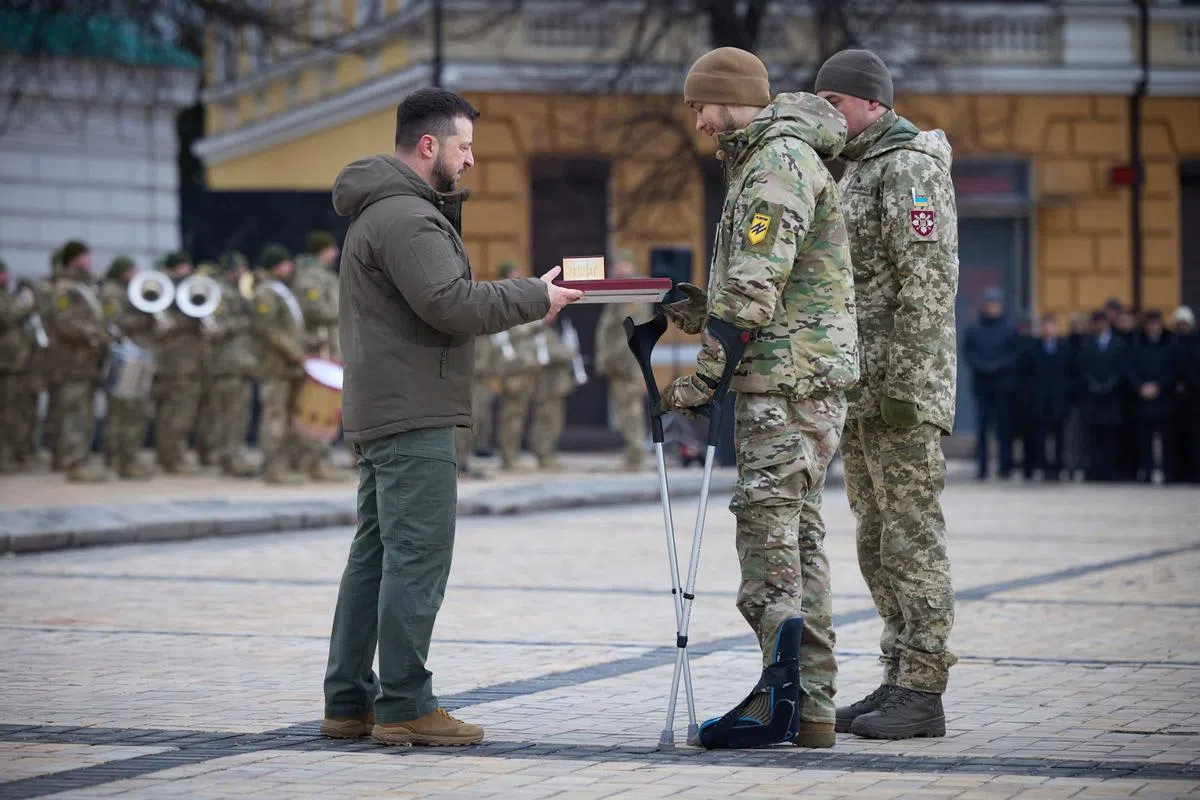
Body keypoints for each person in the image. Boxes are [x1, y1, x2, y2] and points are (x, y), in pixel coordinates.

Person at [322, 87, 582, 747]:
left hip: (388, 407)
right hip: (413, 413)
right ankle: (405, 704)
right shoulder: (408, 218)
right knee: (416, 558)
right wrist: (536, 296)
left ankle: (349, 701)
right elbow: (450, 302)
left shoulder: (384, 211)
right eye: (463, 147)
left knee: (375, 558)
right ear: (429, 145)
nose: (470, 160)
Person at [658, 47, 858, 750]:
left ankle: (777, 701)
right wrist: (694, 308)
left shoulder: (776, 165)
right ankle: (813, 705)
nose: (698, 122)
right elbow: (762, 282)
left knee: (768, 539)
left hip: (785, 384)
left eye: (700, 106)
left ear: (730, 96)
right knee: (799, 541)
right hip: (797, 378)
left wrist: (699, 382)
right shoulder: (774, 159)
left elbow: (751, 294)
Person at [816, 49, 959, 740]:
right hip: (862, 389)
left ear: (872, 103)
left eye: (835, 103)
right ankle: (898, 674)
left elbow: (926, 281)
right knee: (876, 539)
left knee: (911, 537)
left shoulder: (908, 167)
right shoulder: (858, 168)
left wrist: (905, 383)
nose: (827, 115)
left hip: (901, 391)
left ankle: (924, 688)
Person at [49, 240, 110, 482]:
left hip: (87, 363)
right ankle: (74, 463)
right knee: (75, 414)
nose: (89, 260)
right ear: (74, 258)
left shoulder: (87, 286)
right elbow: (63, 323)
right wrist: (93, 334)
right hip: (72, 362)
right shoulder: (65, 288)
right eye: (85, 256)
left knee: (85, 414)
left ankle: (80, 459)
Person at [251, 245, 308, 485]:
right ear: (276, 266)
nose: (291, 267)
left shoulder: (281, 290)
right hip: (274, 366)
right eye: (286, 263)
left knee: (284, 417)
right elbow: (268, 329)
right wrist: (295, 352)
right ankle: (273, 467)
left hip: (287, 366)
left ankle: (285, 464)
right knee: (274, 416)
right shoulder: (266, 292)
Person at [100, 256, 158, 479]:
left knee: (136, 411)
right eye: (132, 270)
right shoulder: (112, 292)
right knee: (121, 411)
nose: (136, 274)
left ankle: (128, 458)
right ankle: (117, 459)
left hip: (139, 358)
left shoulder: (131, 290)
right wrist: (145, 318)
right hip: (123, 359)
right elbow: (114, 321)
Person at [594, 251, 652, 472]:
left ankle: (636, 457)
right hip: (618, 364)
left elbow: (630, 331)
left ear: (628, 264)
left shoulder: (633, 291)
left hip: (627, 363)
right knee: (625, 409)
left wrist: (616, 359)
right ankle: (632, 454)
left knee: (631, 409)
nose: (616, 268)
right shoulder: (619, 290)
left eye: (620, 263)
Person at [205, 252, 258, 477]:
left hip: (239, 364)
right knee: (232, 415)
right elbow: (216, 329)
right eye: (240, 270)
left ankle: (227, 456)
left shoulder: (240, 292)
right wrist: (244, 321)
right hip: (229, 365)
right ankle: (230, 457)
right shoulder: (221, 294)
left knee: (235, 415)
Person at [153, 252, 206, 474]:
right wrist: (188, 321)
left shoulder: (188, 290)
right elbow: (162, 328)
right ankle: (172, 458)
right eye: (184, 267)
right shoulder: (163, 291)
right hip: (174, 364)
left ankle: (171, 455)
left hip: (189, 362)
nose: (189, 272)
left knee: (180, 412)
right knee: (175, 413)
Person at [963, 288, 1020, 480]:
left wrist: (997, 366)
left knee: (1004, 428)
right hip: (982, 385)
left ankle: (1005, 466)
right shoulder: (974, 329)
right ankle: (982, 467)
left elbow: (1014, 353)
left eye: (995, 304)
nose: (992, 308)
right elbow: (968, 353)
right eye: (989, 304)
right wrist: (983, 366)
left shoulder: (1010, 328)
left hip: (1003, 385)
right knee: (982, 428)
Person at [1078, 310, 1128, 482]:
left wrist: (1109, 385)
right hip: (1092, 398)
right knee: (1093, 436)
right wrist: (1093, 384)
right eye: (1097, 322)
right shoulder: (1087, 344)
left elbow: (1121, 369)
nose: (1100, 325)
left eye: (1102, 322)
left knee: (1111, 436)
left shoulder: (1119, 344)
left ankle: (1110, 470)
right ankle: (1094, 470)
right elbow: (1082, 368)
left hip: (1112, 397)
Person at [1129, 310, 1177, 483]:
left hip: (1164, 398)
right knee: (1144, 438)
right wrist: (1140, 386)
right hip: (1143, 398)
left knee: (1167, 439)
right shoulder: (1138, 343)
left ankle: (1169, 472)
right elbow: (1130, 368)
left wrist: (1159, 386)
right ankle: (1146, 471)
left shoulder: (1170, 343)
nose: (1152, 327)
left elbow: (1174, 369)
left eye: (1156, 323)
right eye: (1150, 323)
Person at [0, 259, 39, 473]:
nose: (6, 277)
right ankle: (4, 457)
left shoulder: (7, 295)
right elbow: (7, 316)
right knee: (6, 413)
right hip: (6, 365)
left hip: (16, 364)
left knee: (16, 412)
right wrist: (24, 302)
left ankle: (15, 453)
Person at [1027, 313, 1072, 481]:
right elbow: (1028, 373)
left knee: (1060, 435)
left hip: (1059, 398)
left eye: (1052, 326)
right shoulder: (1034, 347)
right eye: (1046, 326)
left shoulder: (1065, 347)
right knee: (1040, 436)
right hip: (1040, 399)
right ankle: (1042, 466)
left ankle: (1058, 467)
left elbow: (1070, 372)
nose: (1048, 329)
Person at [1171, 306, 1199, 482]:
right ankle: (1178, 472)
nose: (1182, 326)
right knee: (1176, 437)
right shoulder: (1172, 341)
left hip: (1194, 397)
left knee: (1194, 437)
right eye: (1179, 323)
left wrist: (1189, 383)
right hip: (1173, 397)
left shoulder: (1195, 341)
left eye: (1185, 323)